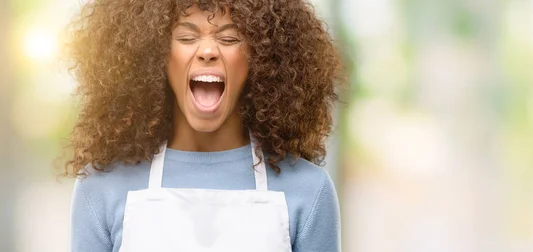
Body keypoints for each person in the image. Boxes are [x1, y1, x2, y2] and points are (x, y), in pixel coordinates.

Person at [63, 0, 343, 251]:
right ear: (154, 54)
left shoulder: (309, 190)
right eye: (186, 37)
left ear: (261, 58)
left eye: (230, 38)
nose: (207, 50)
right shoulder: (100, 188)